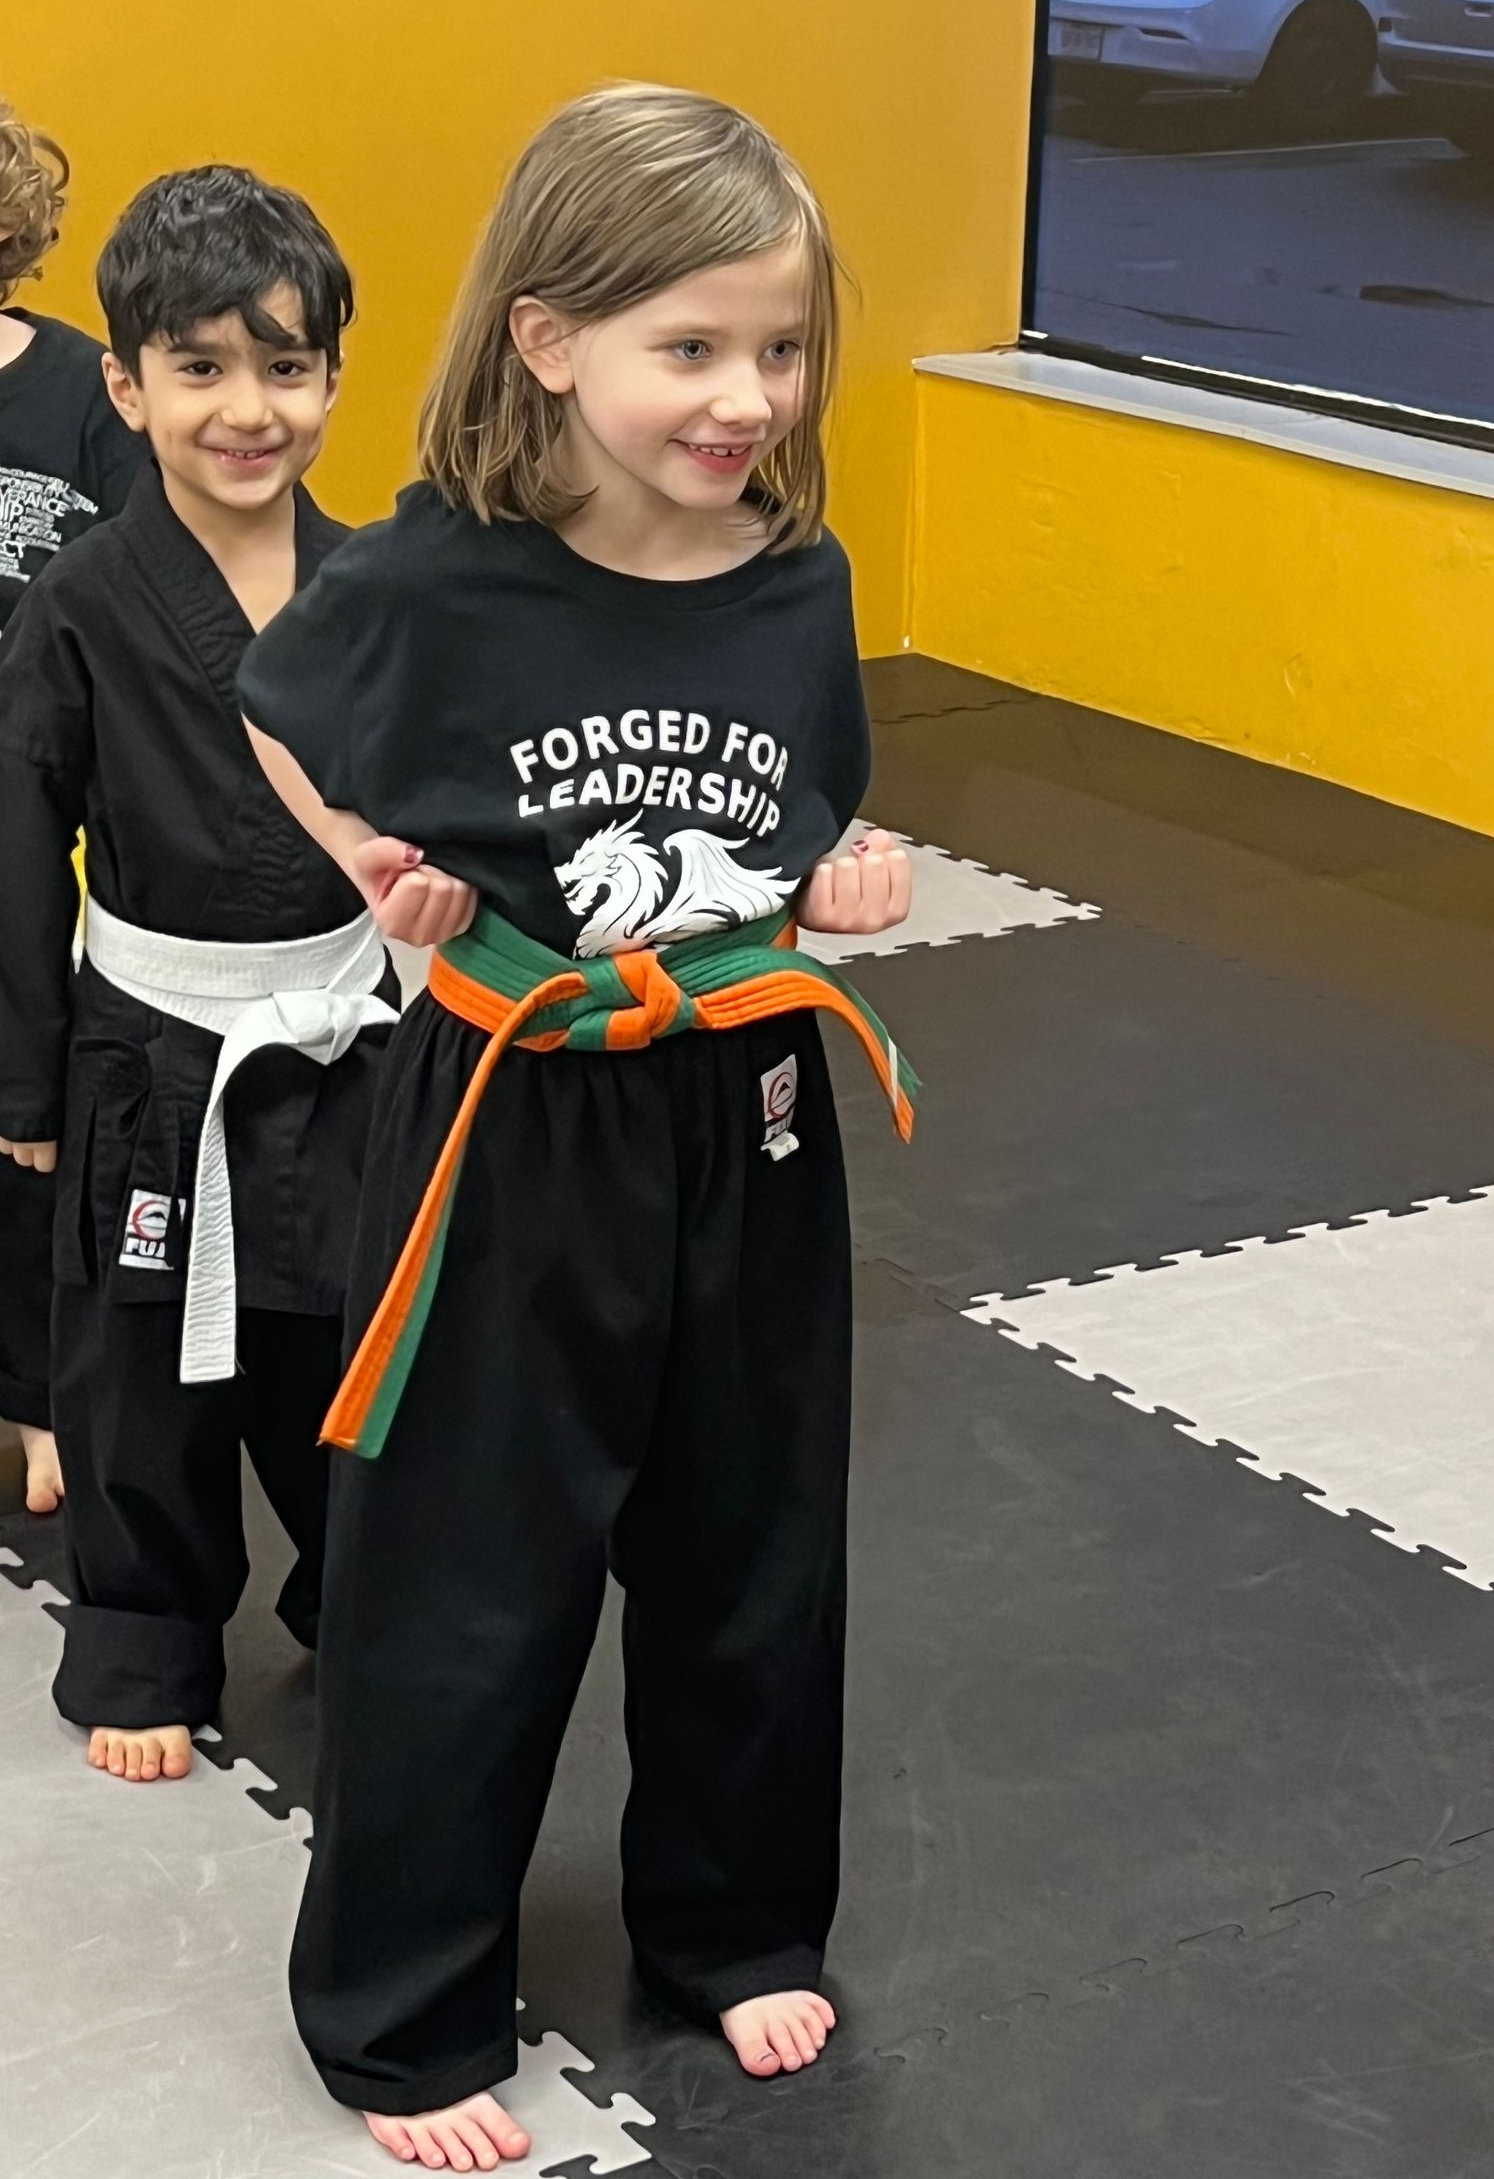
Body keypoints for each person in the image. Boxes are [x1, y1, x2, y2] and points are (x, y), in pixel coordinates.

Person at [241, 83, 914, 2175]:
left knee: (750, 1542)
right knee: (464, 1573)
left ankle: (726, 1920)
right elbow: (280, 707)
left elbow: (791, 829)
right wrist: (374, 862)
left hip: (750, 1115)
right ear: (548, 340)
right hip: (510, 1128)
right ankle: (401, 2008)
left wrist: (848, 874)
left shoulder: (791, 574)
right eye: (689, 346)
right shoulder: (447, 570)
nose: (745, 396)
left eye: (776, 348)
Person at [0, 165, 397, 1788]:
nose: (250, 410)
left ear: (330, 379)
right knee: (141, 1362)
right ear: (126, 384)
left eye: (287, 367)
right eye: (203, 368)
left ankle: (359, 1595)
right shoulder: (82, 598)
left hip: (350, 1029)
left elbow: (447, 814)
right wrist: (22, 1085)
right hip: (148, 1043)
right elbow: (18, 831)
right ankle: (145, 1632)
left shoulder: (378, 584)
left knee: (353, 1344)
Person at [0, 96, 147, 1517]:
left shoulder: (81, 391)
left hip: (37, 808)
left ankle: (43, 1393)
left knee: (31, 1109)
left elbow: (153, 567)